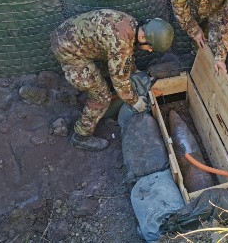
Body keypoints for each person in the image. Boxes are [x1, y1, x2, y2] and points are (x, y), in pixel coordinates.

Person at [51, 9, 174, 151]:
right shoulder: (121, 43)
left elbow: (123, 56)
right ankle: (81, 137)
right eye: (150, 47)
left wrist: (133, 70)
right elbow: (120, 79)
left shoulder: (131, 24)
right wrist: (135, 101)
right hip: (69, 50)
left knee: (109, 74)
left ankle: (100, 97)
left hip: (68, 34)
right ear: (142, 37)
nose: (150, 51)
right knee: (101, 96)